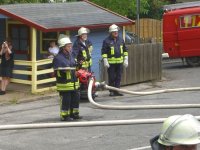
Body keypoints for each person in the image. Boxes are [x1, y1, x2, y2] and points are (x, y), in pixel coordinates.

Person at [53, 34, 81, 121]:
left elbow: (74, 66)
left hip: (74, 83)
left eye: (70, 45)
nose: (70, 47)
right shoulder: (58, 58)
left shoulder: (71, 55)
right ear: (63, 47)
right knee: (66, 100)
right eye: (68, 46)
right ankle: (64, 116)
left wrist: (78, 66)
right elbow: (56, 70)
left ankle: (74, 114)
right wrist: (64, 70)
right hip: (64, 83)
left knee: (75, 98)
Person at [101, 24, 128, 97]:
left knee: (118, 77)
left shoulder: (121, 39)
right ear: (110, 32)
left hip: (119, 63)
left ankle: (117, 91)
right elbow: (103, 52)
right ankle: (112, 91)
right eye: (114, 32)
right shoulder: (106, 41)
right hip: (111, 64)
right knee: (112, 77)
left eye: (116, 31)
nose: (116, 33)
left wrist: (126, 59)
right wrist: (105, 60)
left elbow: (125, 50)